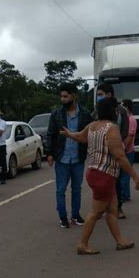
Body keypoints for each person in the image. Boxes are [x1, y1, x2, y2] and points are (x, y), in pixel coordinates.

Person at [61, 98, 139, 255]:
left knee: (111, 210)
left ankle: (120, 241)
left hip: (94, 172)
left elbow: (80, 137)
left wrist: (69, 134)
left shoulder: (92, 126)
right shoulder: (112, 128)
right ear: (113, 111)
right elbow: (119, 155)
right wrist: (135, 176)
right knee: (95, 212)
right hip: (104, 175)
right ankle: (83, 244)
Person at [45, 83, 93, 228]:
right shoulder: (56, 114)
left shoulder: (85, 114)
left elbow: (90, 134)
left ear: (74, 96)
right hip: (62, 158)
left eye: (65, 96)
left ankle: (76, 215)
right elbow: (50, 134)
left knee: (77, 189)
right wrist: (50, 153)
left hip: (78, 157)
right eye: (61, 96)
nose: (63, 99)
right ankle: (63, 217)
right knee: (60, 189)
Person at [94, 83, 129, 219]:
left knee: (117, 181)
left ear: (109, 94)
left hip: (115, 151)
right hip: (100, 152)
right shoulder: (97, 111)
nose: (98, 97)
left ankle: (118, 207)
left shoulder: (121, 111)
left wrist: (116, 141)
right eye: (98, 95)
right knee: (100, 181)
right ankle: (100, 208)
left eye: (100, 94)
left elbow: (125, 130)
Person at [119, 99, 137, 202]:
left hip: (128, 151)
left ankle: (124, 195)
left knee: (125, 174)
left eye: (122, 106)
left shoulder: (131, 119)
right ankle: (125, 194)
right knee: (123, 174)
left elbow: (130, 137)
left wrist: (124, 148)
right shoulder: (125, 118)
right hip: (124, 150)